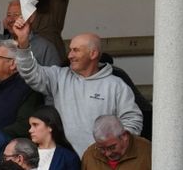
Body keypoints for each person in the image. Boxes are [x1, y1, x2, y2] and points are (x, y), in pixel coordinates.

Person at [12, 21, 142, 158]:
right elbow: (30, 73)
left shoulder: (116, 85)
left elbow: (132, 119)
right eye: (70, 50)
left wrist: (116, 147)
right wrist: (23, 43)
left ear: (93, 54)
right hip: (67, 160)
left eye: (76, 50)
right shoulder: (59, 77)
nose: (70, 55)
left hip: (103, 161)